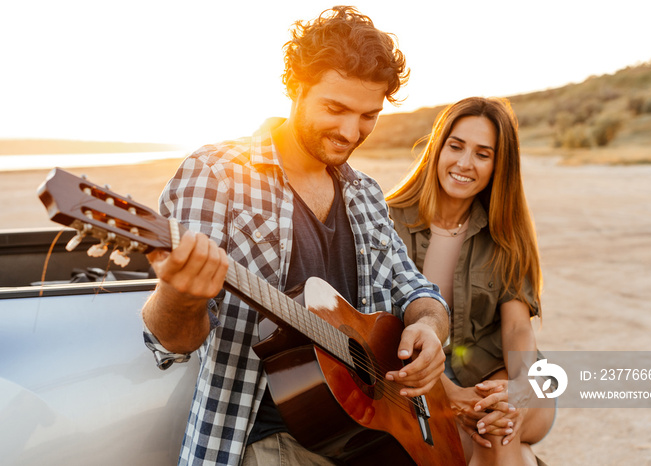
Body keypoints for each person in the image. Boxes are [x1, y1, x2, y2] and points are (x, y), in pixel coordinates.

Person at [140, 6, 450, 466]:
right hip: (259, 438)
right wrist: (179, 294)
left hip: (370, 439)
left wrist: (430, 328)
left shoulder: (364, 193)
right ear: (296, 89)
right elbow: (171, 344)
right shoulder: (217, 175)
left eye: (369, 115)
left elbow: (417, 291)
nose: (350, 131)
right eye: (335, 108)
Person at [386, 97, 556, 465]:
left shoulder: (507, 235)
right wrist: (445, 392)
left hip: (500, 374)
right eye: (456, 146)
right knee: (498, 437)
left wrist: (520, 389)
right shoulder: (387, 220)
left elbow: (517, 331)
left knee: (496, 422)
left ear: (498, 165)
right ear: (438, 147)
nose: (464, 164)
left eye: (483, 154)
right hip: (421, 381)